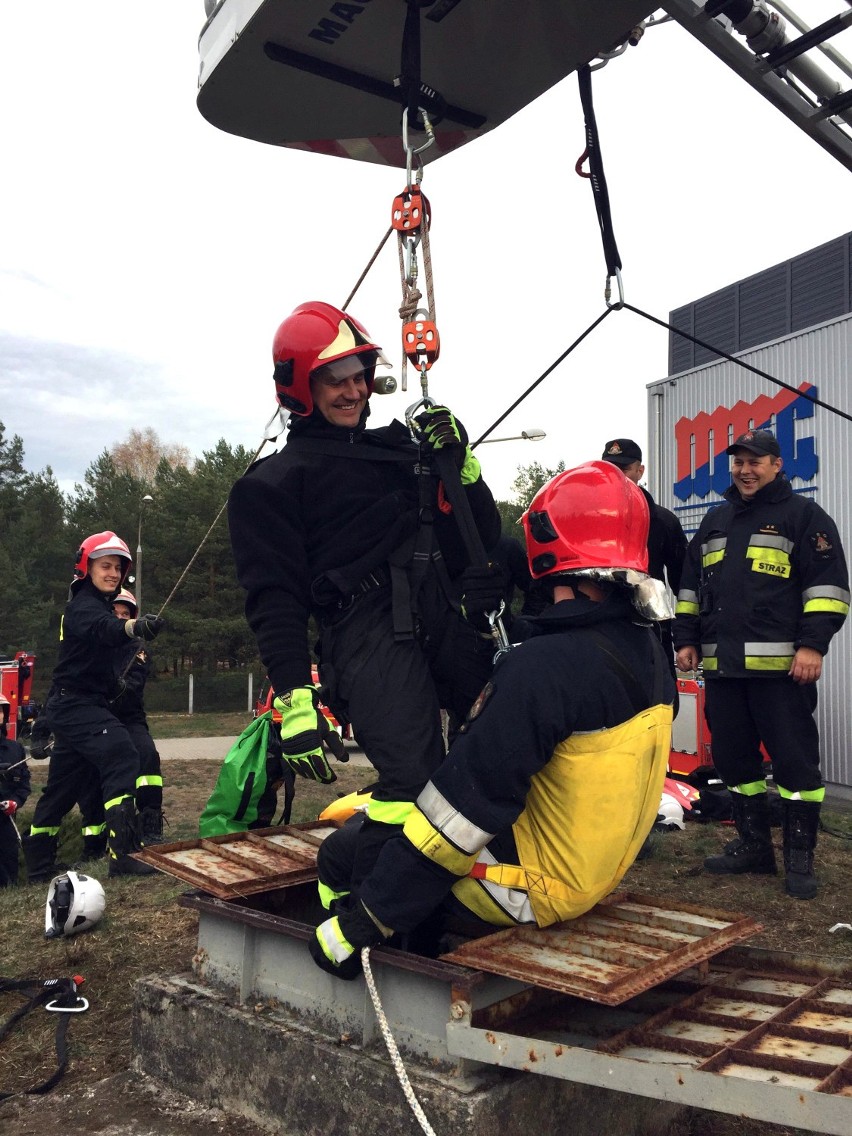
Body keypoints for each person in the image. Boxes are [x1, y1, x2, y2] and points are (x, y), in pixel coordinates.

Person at [307, 461, 676, 979]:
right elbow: (573, 671)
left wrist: (367, 920)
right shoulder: (647, 652)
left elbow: (463, 814)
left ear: (546, 548)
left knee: (347, 853)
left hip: (534, 889)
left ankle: (375, 954)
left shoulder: (543, 669)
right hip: (594, 870)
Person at [228, 301, 503, 890]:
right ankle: (352, 885)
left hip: (438, 610)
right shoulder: (272, 485)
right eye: (335, 379)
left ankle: (457, 886)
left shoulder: (402, 455)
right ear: (301, 387)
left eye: (359, 375)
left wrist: (461, 467)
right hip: (365, 631)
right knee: (413, 784)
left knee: (504, 741)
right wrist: (294, 695)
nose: (353, 391)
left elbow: (475, 545)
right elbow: (274, 599)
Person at [673, 428, 849, 900]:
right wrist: (685, 639)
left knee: (795, 767)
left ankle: (799, 858)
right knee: (735, 763)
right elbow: (690, 589)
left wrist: (813, 646)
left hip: (782, 674)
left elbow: (829, 590)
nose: (745, 470)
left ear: (776, 465)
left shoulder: (804, 516)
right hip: (724, 672)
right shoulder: (715, 520)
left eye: (756, 461)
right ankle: (754, 848)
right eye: (738, 462)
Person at [22, 532, 164, 881]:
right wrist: (133, 626)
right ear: (86, 567)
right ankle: (124, 854)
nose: (113, 573)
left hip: (73, 704)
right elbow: (105, 629)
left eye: (118, 567)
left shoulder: (97, 605)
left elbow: (85, 660)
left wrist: (112, 682)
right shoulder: (84, 606)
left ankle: (38, 869)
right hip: (77, 705)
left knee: (61, 790)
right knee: (122, 753)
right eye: (105, 566)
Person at [76, 589, 167, 858]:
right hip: (96, 720)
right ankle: (95, 842)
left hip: (128, 719)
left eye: (125, 614)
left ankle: (150, 824)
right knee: (90, 775)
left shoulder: (137, 650)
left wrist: (119, 689)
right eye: (114, 612)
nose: (119, 616)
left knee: (147, 757)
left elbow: (134, 686)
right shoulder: (88, 648)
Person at [601, 437, 687, 679]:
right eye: (610, 469)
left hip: (652, 628)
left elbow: (685, 584)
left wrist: (687, 637)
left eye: (624, 469)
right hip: (603, 627)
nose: (617, 477)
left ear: (640, 471)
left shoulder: (663, 520)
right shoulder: (592, 517)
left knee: (661, 700)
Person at [0, 692, 30, 887]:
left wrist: (15, 802)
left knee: (9, 868)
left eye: (0, 710)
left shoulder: (15, 749)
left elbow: (24, 784)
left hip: (7, 823)